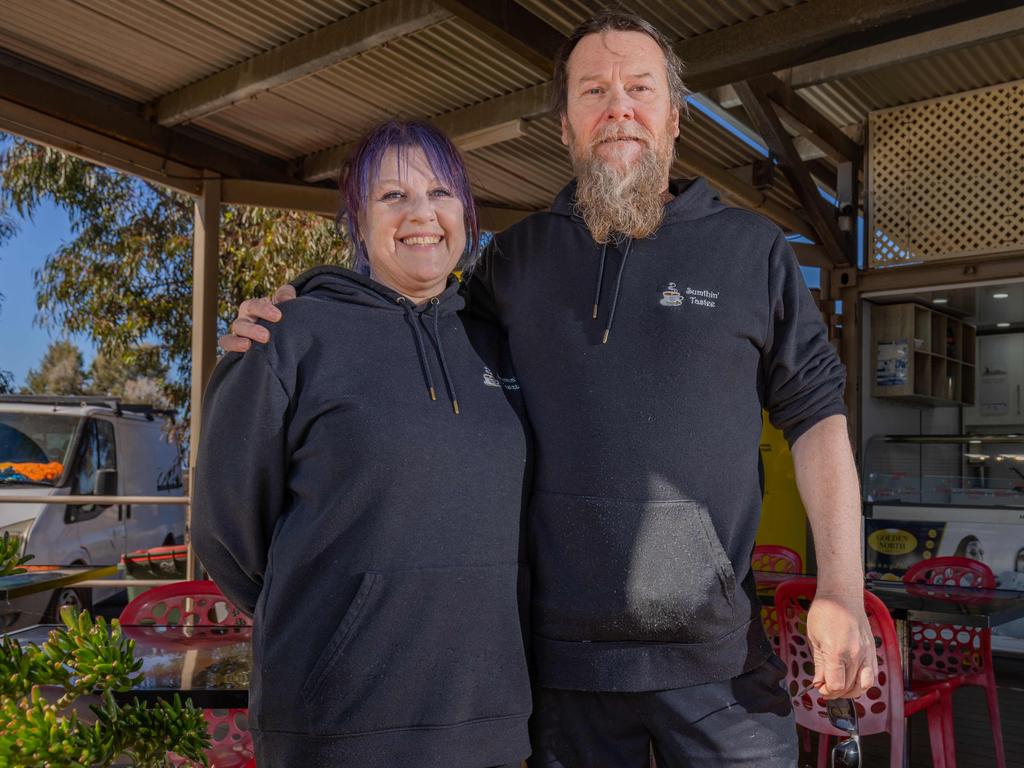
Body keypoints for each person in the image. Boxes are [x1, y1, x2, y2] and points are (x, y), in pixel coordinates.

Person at [222, 11, 876, 767]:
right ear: (565, 126)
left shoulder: (751, 251)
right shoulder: (517, 260)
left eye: (639, 88)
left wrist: (842, 589)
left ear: (673, 119)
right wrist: (300, 316)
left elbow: (818, 418)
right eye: (593, 91)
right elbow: (411, 328)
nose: (617, 107)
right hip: (559, 670)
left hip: (717, 666)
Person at [192, 121, 532, 768]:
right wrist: (337, 613)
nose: (422, 214)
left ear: (467, 212)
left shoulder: (499, 341)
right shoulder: (287, 337)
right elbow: (227, 533)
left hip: (486, 723)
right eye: (392, 196)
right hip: (337, 726)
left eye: (440, 192)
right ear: (356, 218)